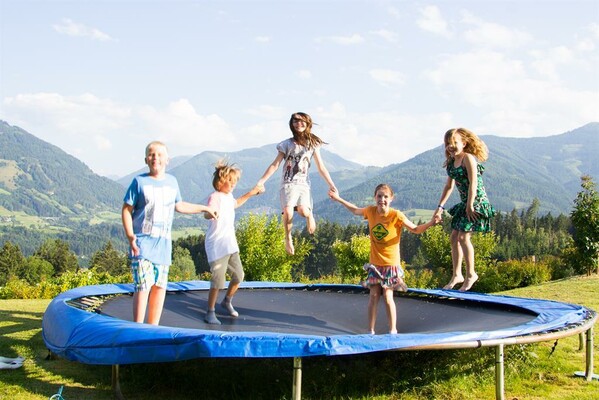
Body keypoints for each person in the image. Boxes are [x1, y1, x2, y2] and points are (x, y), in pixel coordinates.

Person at [122, 141, 218, 325]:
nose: (155, 157)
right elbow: (126, 209)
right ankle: (138, 328)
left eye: (159, 154)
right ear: (146, 159)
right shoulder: (139, 182)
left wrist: (204, 208)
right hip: (142, 243)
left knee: (159, 287)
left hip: (163, 246)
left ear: (167, 160)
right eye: (151, 154)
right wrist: (130, 236)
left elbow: (180, 205)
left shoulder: (172, 182)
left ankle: (153, 328)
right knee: (143, 286)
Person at [329, 184, 440, 335]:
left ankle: (393, 330)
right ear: (375, 197)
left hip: (390, 265)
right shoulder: (371, 211)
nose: (382, 200)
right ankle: (370, 330)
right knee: (373, 296)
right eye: (379, 196)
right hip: (375, 265)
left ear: (391, 199)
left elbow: (415, 229)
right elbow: (355, 210)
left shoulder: (396, 215)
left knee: (388, 296)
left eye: (385, 197)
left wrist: (431, 223)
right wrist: (338, 198)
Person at [256, 112, 338, 255]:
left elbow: (321, 167)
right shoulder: (286, 144)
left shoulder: (312, 144)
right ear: (291, 124)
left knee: (303, 211)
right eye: (295, 121)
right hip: (287, 183)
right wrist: (262, 181)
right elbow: (275, 165)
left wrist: (331, 184)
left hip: (303, 184)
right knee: (288, 211)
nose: (298, 124)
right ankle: (288, 238)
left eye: (301, 121)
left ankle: (310, 215)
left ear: (307, 124)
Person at [434, 128, 496, 292]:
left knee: (462, 237)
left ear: (464, 143)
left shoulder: (468, 158)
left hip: (476, 202)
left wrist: (470, 205)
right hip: (465, 203)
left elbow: (473, 183)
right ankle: (457, 275)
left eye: (454, 142)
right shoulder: (451, 162)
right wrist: (440, 207)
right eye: (448, 144)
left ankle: (471, 275)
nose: (451, 146)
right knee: (454, 237)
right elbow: (448, 186)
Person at [203, 160, 263, 325]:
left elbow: (236, 203)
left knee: (239, 275)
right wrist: (210, 213)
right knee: (218, 280)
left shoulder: (229, 197)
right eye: (230, 181)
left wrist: (252, 193)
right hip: (216, 244)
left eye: (234, 181)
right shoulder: (215, 197)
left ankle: (227, 300)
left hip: (230, 243)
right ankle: (210, 312)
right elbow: (207, 213)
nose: (233, 184)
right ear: (221, 182)